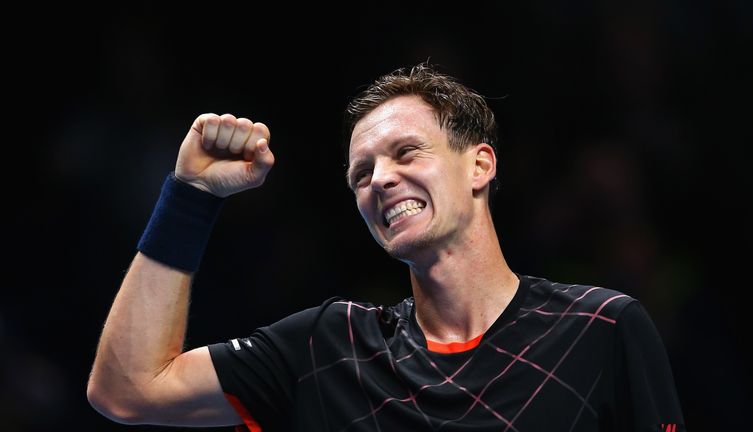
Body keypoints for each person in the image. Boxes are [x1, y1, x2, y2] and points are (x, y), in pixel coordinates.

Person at [87, 63, 685, 431]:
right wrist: (190, 197)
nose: (380, 180)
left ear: (479, 165)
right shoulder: (328, 348)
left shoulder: (602, 329)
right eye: (361, 174)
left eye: (406, 153)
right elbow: (128, 388)